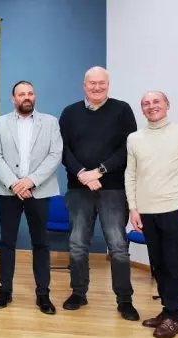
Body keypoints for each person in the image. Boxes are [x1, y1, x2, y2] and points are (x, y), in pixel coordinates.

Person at [59, 66, 139, 320]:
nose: (96, 87)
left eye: (101, 84)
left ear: (108, 85)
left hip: (113, 189)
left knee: (118, 246)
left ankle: (124, 300)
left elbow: (129, 148)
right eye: (92, 83)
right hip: (78, 188)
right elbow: (61, 149)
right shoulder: (70, 112)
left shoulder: (122, 110)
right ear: (84, 85)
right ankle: (79, 293)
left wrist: (99, 171)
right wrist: (82, 172)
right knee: (77, 244)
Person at [125, 91, 178, 338]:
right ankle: (171, 311)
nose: (151, 106)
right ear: (142, 109)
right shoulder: (134, 138)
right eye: (146, 103)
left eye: (156, 102)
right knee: (158, 265)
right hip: (146, 212)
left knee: (171, 264)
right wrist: (133, 207)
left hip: (173, 211)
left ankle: (172, 314)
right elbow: (131, 175)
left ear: (167, 104)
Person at [0, 81, 63, 314]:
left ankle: (43, 294)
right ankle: (5, 291)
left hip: (39, 190)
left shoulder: (50, 122)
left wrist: (30, 181)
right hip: (8, 191)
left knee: (41, 242)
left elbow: (55, 154)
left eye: (30, 93)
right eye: (22, 94)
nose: (27, 97)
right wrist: (14, 183)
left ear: (35, 96)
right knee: (7, 242)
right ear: (13, 99)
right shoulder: (0, 123)